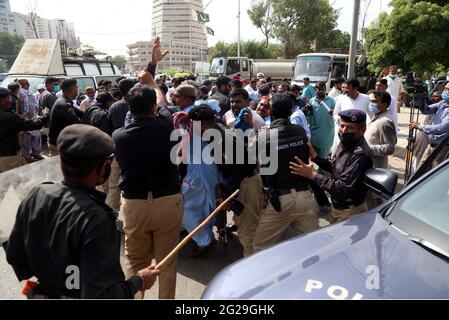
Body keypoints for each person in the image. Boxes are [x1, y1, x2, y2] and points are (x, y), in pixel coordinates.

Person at [6, 125, 160, 299]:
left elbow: (15, 255)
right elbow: (101, 295)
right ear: (103, 169)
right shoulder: (97, 219)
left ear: (62, 161)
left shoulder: (37, 194)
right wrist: (138, 281)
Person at [112, 71, 182, 299]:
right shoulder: (166, 127)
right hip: (167, 203)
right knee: (167, 263)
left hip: (134, 205)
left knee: (135, 262)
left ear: (129, 110)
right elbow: (162, 101)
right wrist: (151, 82)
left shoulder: (118, 137)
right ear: (153, 109)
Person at [253, 94, 319, 252]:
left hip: (279, 201)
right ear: (290, 112)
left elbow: (261, 168)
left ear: (270, 113)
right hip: (305, 198)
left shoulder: (264, 137)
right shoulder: (300, 132)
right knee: (314, 248)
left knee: (259, 249)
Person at [290, 110, 373, 223]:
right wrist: (315, 157)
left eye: (350, 128)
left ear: (362, 130)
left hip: (350, 212)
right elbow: (335, 169)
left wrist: (312, 175)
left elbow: (342, 188)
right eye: (342, 126)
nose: (344, 131)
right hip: (338, 208)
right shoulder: (345, 143)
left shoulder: (360, 154)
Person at [181, 105, 224, 258]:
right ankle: (204, 238)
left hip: (199, 176)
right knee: (204, 209)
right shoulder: (194, 130)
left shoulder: (193, 131)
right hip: (202, 174)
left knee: (190, 211)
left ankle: (204, 241)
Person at [0, 88, 49, 173]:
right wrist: (45, 115)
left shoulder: (8, 114)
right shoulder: (8, 117)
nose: (11, 100)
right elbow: (33, 125)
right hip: (7, 158)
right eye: (9, 98)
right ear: (2, 101)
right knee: (13, 183)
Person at [410, 82, 449, 167]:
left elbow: (442, 128)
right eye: (445, 88)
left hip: (442, 148)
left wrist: (420, 126)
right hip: (431, 145)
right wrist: (420, 97)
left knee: (435, 176)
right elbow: (426, 110)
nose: (445, 91)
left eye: (448, 89)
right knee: (419, 172)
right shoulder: (442, 103)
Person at [48, 79, 84, 156]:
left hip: (63, 142)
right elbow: (77, 124)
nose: (78, 89)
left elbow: (81, 114)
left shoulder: (65, 101)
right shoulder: (63, 105)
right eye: (77, 87)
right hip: (59, 145)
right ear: (73, 89)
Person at [365, 91, 397, 169]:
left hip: (376, 166)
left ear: (384, 105)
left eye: (375, 101)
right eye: (371, 101)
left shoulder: (385, 122)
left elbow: (389, 148)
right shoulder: (376, 117)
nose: (371, 104)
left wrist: (366, 148)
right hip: (368, 163)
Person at [306, 81, 336, 159]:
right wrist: (307, 111)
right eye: (318, 89)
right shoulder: (312, 101)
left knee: (323, 158)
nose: (320, 91)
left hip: (326, 133)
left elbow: (337, 113)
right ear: (315, 90)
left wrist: (333, 112)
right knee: (314, 157)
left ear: (325, 90)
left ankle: (323, 171)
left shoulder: (331, 100)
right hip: (315, 133)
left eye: (322, 89)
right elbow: (310, 115)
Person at [17, 79, 43, 162]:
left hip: (34, 117)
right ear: (20, 85)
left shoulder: (29, 92)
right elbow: (21, 109)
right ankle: (26, 156)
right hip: (26, 119)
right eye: (26, 84)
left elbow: (34, 104)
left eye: (28, 83)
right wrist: (26, 117)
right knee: (25, 140)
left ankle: (36, 153)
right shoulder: (20, 93)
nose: (28, 85)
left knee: (36, 137)